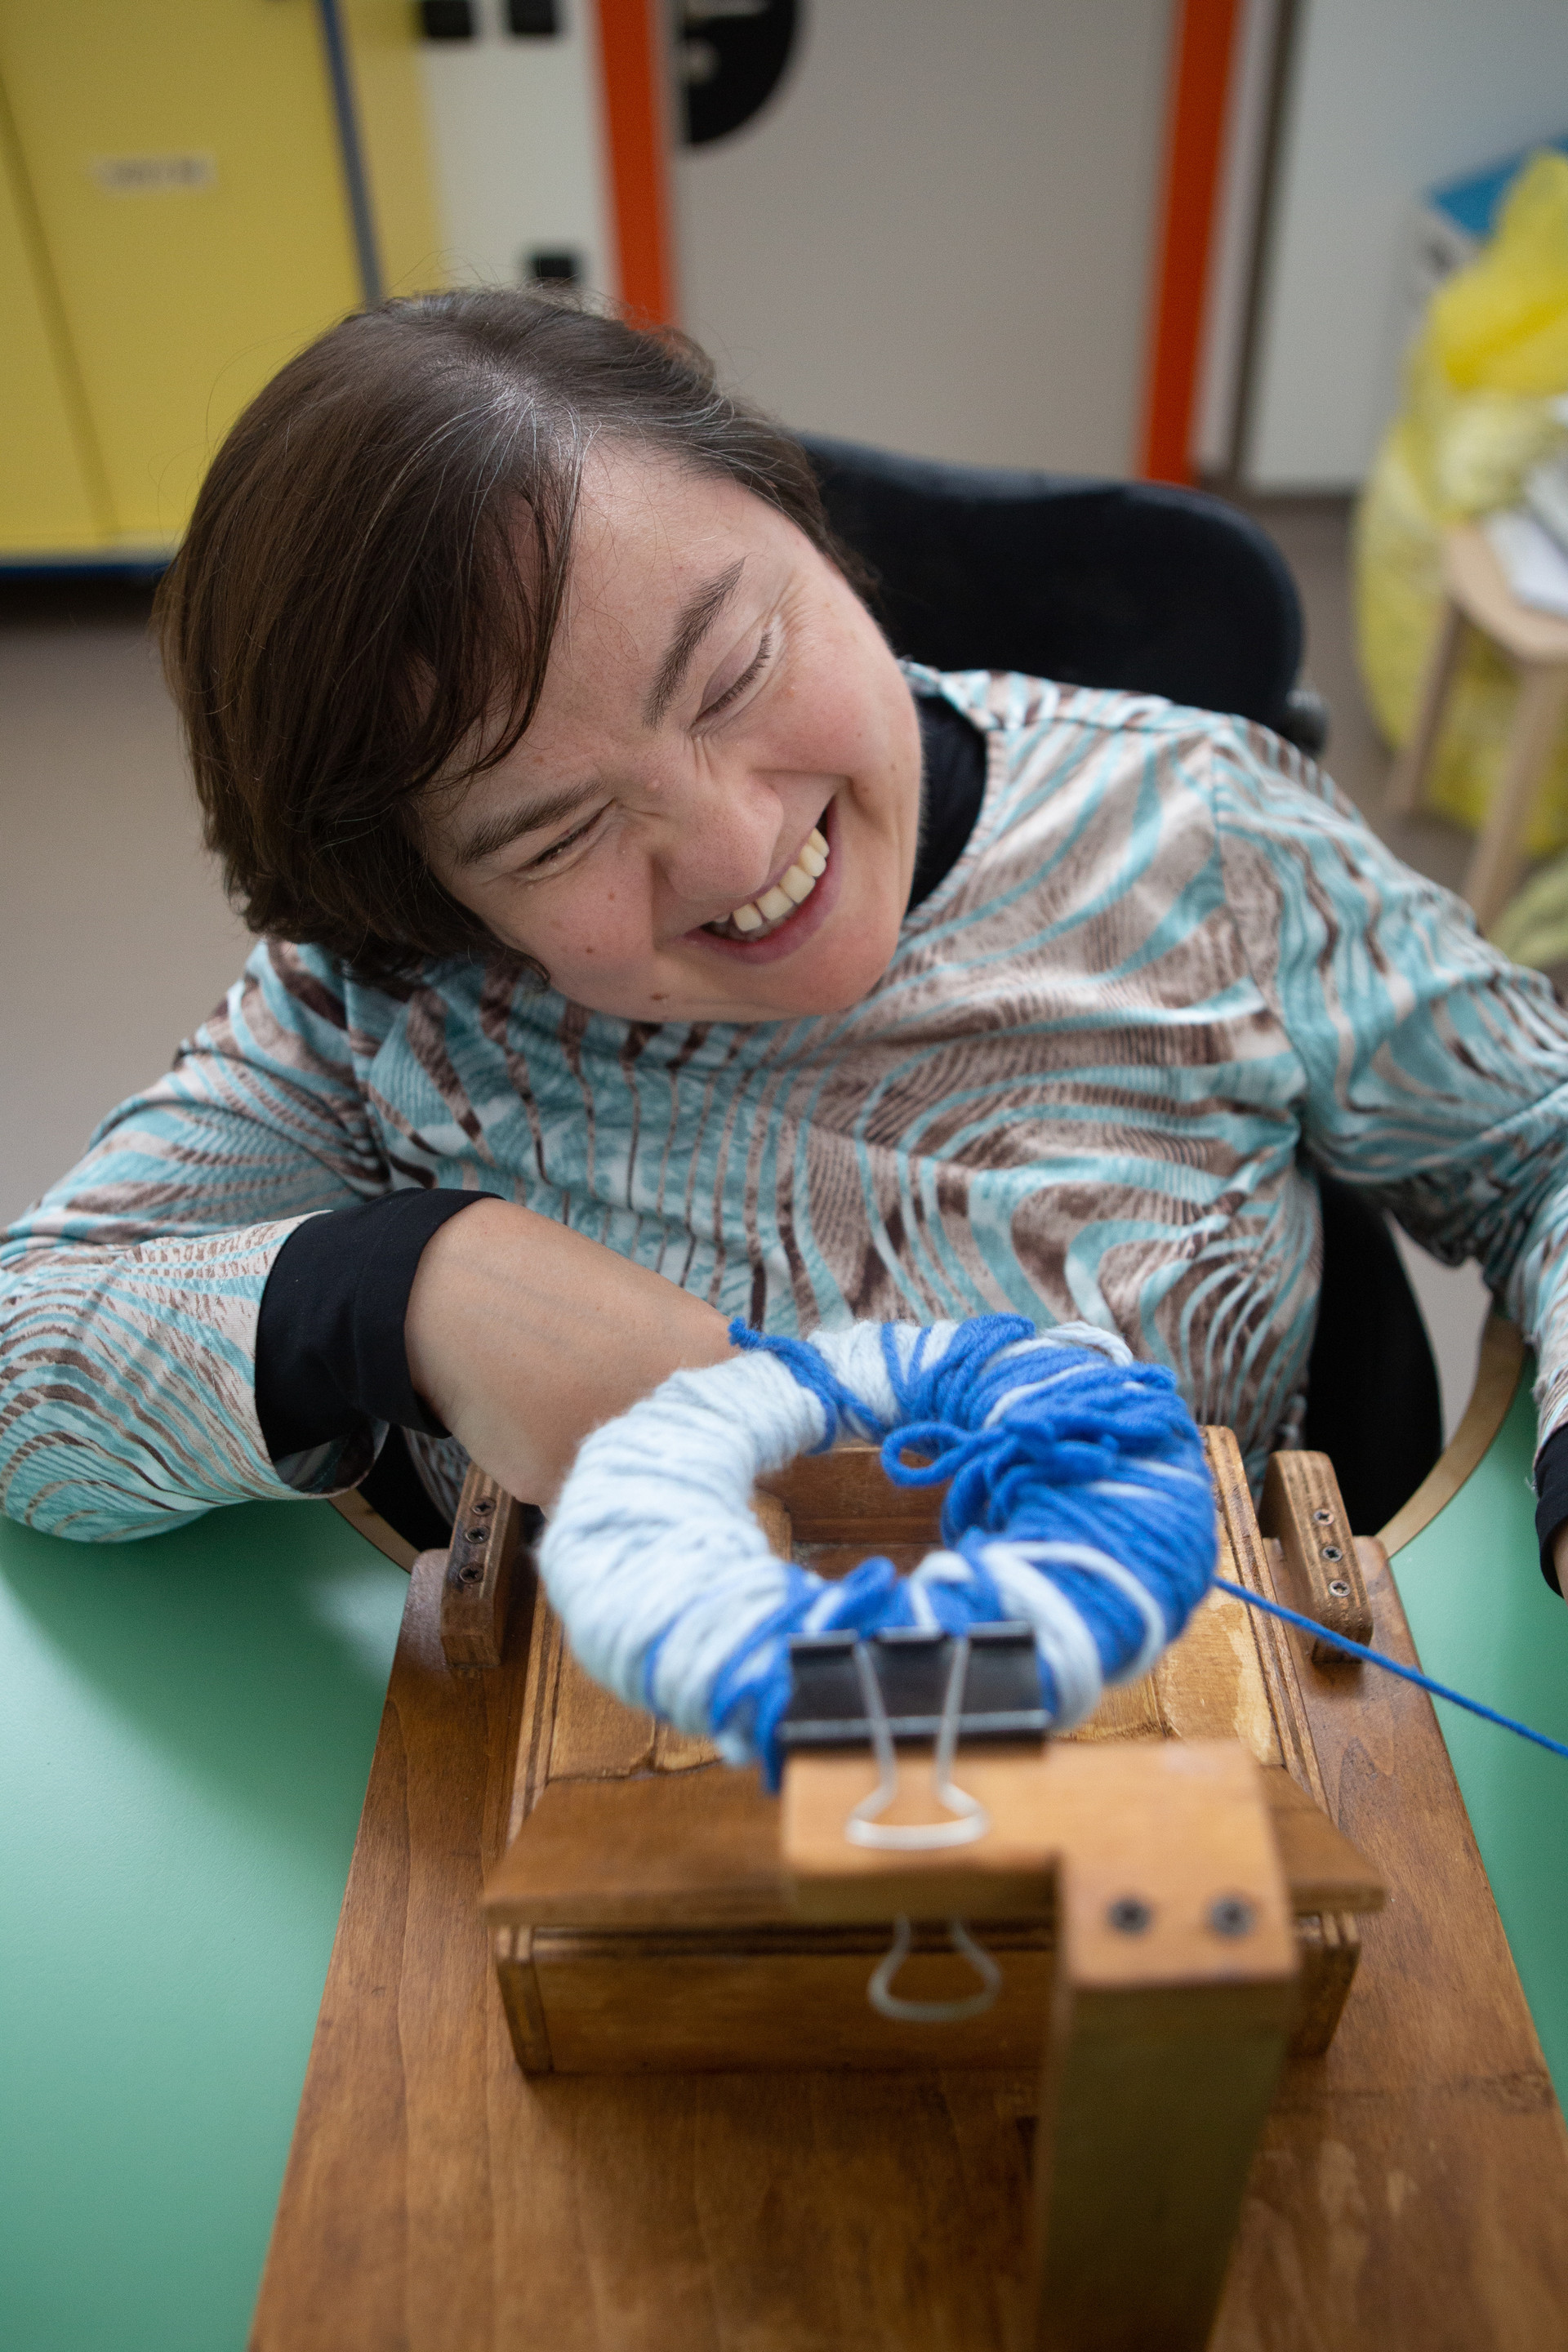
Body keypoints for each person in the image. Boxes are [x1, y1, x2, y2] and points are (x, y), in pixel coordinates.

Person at [3, 291, 1568, 1596]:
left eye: (738, 664)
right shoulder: (380, 1006)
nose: (745, 848)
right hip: (640, 1824)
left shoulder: (1210, 835)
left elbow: (1541, 1145)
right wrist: (411, 1288)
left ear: (804, 527)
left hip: (1189, 1770)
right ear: (426, 900)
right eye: (553, 836)